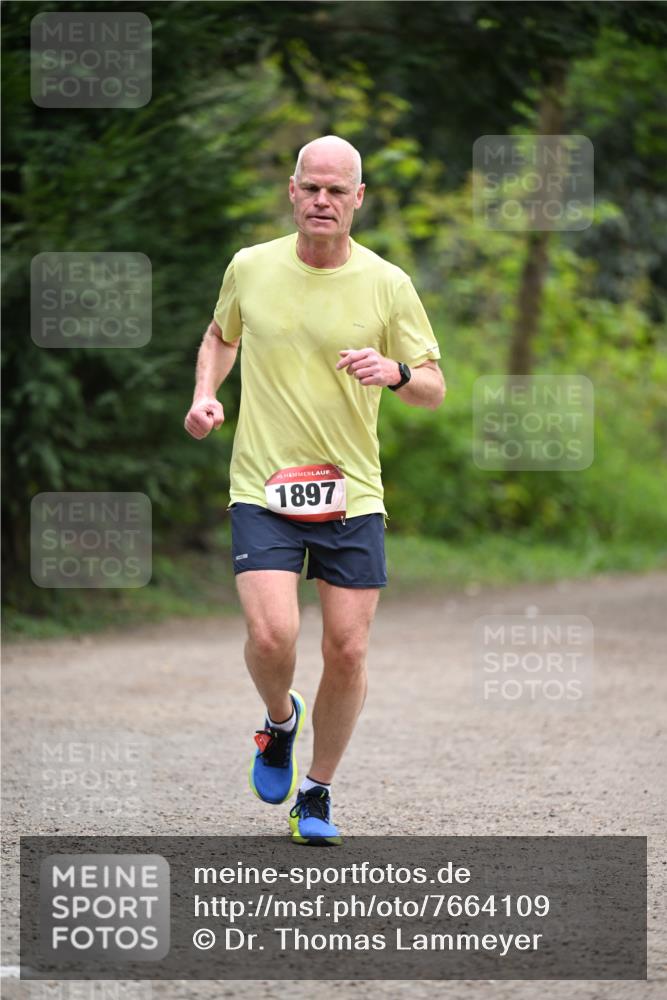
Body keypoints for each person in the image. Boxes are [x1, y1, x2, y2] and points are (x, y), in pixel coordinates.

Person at [184, 135, 445, 845]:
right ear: (293, 192)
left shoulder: (387, 283)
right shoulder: (251, 266)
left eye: (336, 190)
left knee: (348, 650)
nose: (322, 200)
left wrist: (394, 372)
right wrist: (206, 393)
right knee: (272, 635)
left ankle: (317, 791)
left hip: (351, 493)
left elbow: (432, 386)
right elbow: (221, 335)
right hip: (263, 484)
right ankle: (278, 723)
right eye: (311, 187)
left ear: (358, 198)